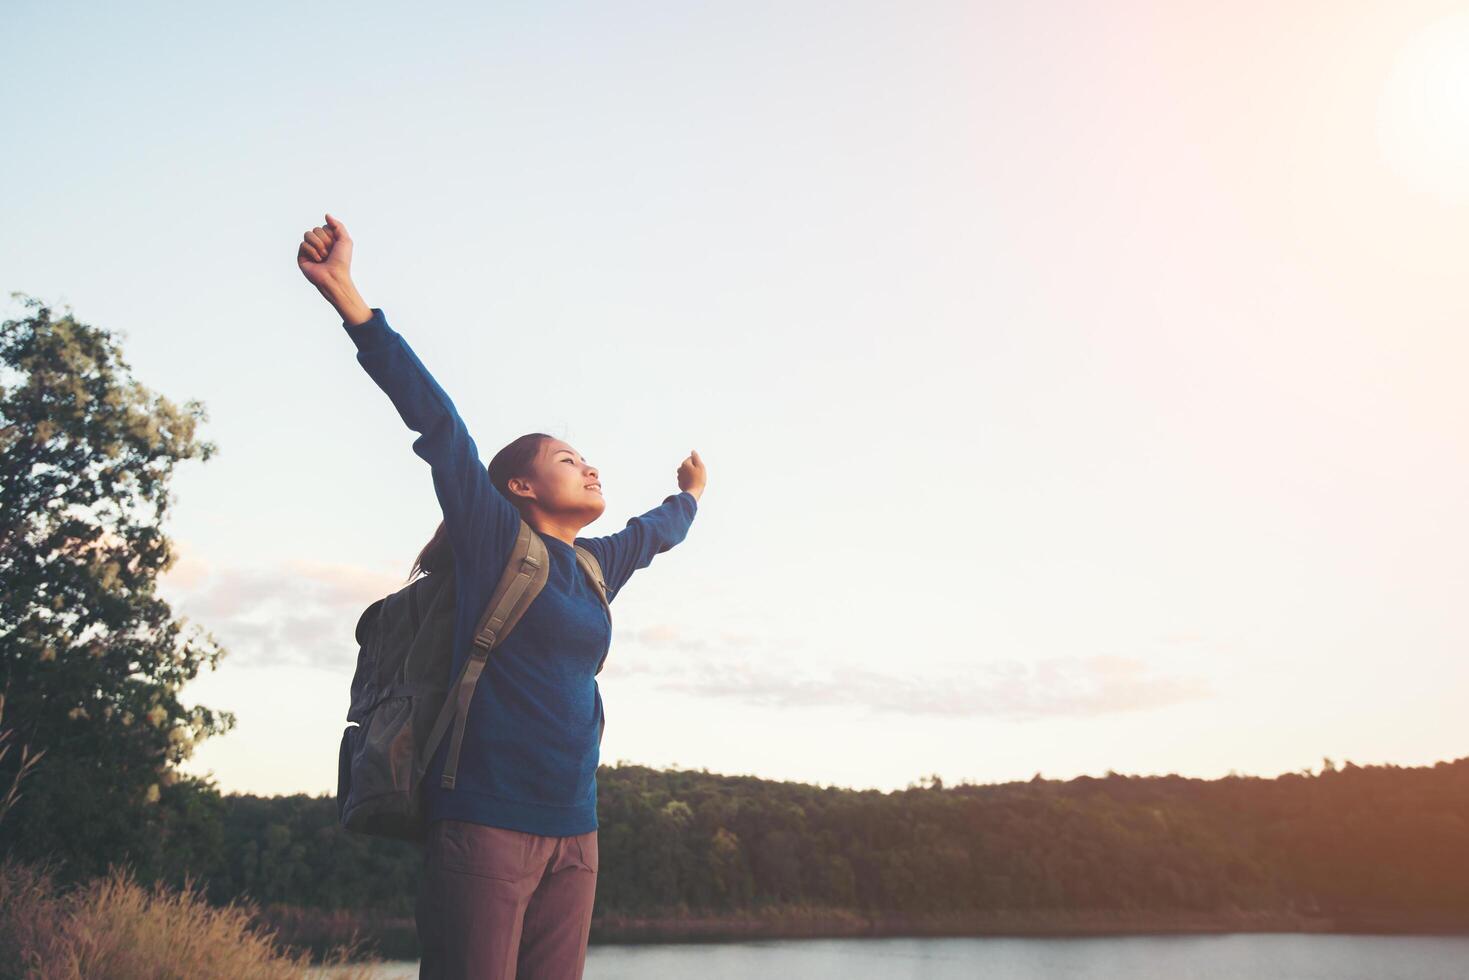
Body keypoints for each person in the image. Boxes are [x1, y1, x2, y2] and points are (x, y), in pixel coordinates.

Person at [297, 213, 706, 979]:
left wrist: (689, 497)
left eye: (587, 459)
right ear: (520, 485)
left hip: (575, 835)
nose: (588, 468)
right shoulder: (495, 544)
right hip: (482, 825)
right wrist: (350, 299)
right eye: (566, 458)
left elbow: (653, 535)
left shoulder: (591, 567)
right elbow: (440, 428)